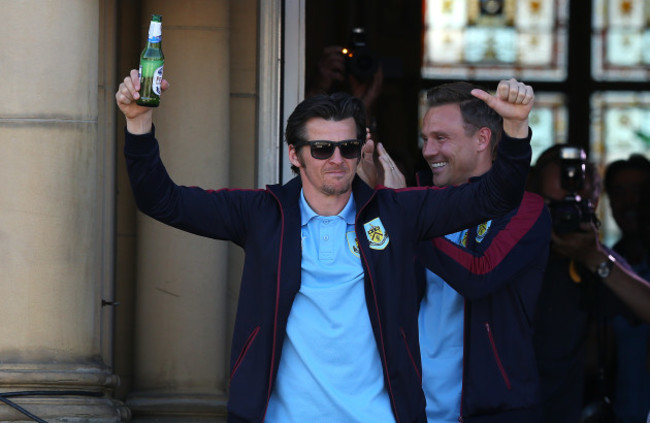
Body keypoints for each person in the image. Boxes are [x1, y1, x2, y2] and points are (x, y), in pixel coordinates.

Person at [115, 69, 535, 422]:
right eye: (321, 148)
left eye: (348, 147)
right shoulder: (261, 213)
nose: (337, 158)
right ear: (295, 155)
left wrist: (515, 134)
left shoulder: (395, 212)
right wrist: (138, 124)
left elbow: (495, 196)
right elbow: (161, 200)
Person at [360, 81, 551, 422]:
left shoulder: (527, 208)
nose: (428, 151)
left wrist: (403, 214)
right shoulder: (416, 201)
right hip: (410, 408)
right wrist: (371, 200)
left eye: (441, 139)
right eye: (425, 139)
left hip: (496, 412)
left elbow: (479, 273)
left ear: (482, 139)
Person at [528, 145, 650, 423]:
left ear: (594, 200)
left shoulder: (602, 262)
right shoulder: (511, 257)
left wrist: (593, 257)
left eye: (573, 205)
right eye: (553, 206)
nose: (564, 217)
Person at [603, 154, 650, 423]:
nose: (631, 203)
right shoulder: (608, 264)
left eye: (640, 192)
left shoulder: (602, 265)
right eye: (619, 194)